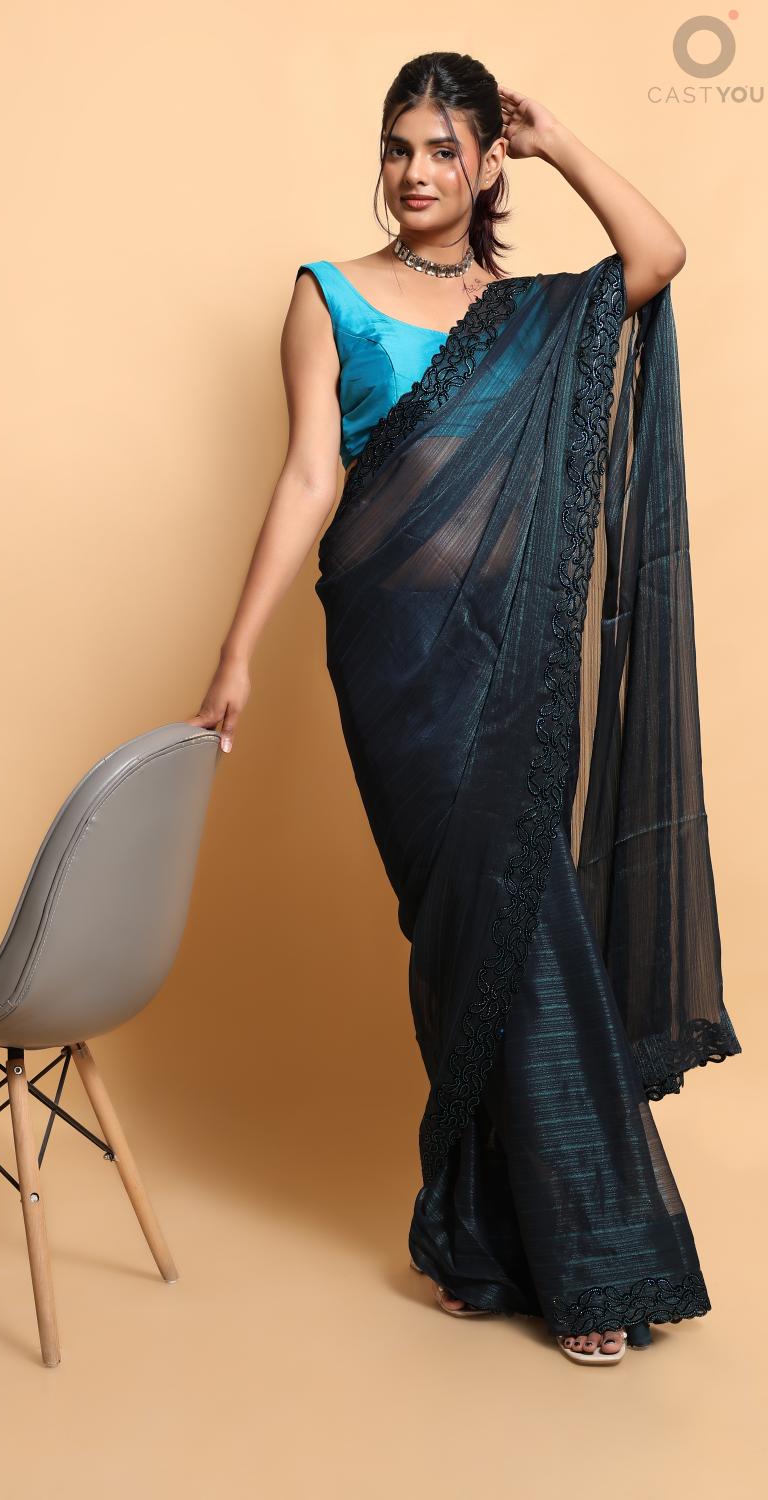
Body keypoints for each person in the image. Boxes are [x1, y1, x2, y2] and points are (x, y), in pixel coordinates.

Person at [187, 51, 742, 1366]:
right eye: (400, 148)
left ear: (487, 162)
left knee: (523, 921)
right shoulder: (327, 294)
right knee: (459, 933)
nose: (417, 173)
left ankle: (533, 1250)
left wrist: (561, 142)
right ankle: (528, 1245)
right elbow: (311, 474)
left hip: (510, 659)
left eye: (446, 149)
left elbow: (657, 256)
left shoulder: (532, 313)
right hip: (394, 664)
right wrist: (237, 650)